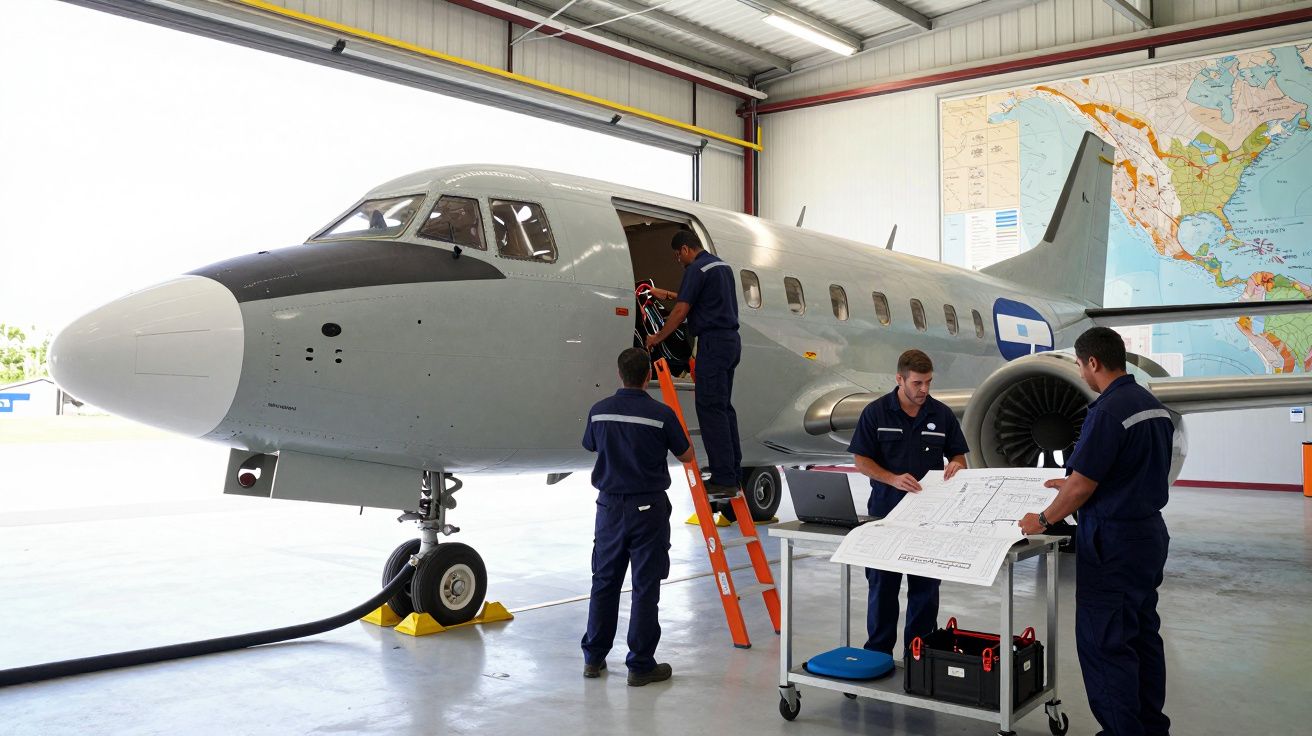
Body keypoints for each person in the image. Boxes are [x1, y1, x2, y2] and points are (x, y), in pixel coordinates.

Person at [1020, 327, 1173, 736]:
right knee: (1141, 636)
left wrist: (1045, 519)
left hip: (1113, 542)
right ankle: (1150, 728)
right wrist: (1069, 485)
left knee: (1104, 643)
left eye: (1079, 364)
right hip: (1147, 535)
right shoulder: (1150, 404)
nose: (1080, 373)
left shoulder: (1107, 410)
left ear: (1092, 362)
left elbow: (1085, 484)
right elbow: (1115, 472)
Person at [580, 347, 695, 686]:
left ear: (620, 374)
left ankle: (594, 659)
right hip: (647, 509)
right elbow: (687, 455)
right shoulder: (662, 414)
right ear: (649, 376)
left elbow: (591, 445)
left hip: (609, 508)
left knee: (604, 582)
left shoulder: (599, 412)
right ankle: (641, 665)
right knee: (645, 587)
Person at [848, 349, 968, 655]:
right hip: (885, 517)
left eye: (928, 382)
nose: (924, 389)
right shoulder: (875, 413)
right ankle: (877, 656)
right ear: (899, 379)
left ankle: (919, 657)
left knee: (925, 593)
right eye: (917, 383)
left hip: (930, 521)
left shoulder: (941, 414)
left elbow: (958, 454)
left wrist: (957, 465)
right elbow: (861, 459)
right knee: (882, 591)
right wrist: (891, 478)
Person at [644, 230, 741, 499]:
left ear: (686, 249)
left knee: (710, 408)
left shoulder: (696, 269)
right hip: (731, 342)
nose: (679, 260)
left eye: (678, 255)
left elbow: (681, 311)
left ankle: (723, 479)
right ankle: (732, 472)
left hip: (712, 343)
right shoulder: (721, 266)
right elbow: (704, 299)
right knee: (723, 408)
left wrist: (657, 337)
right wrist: (666, 294)